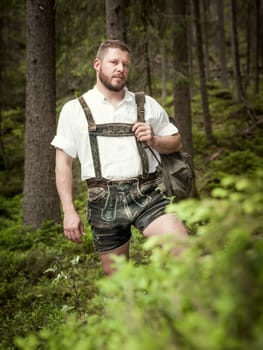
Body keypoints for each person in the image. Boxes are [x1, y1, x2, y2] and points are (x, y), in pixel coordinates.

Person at [51, 39, 188, 275]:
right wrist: (69, 211)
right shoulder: (74, 109)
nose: (120, 68)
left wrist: (154, 139)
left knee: (185, 253)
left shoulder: (146, 104)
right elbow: (63, 163)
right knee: (117, 284)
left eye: (125, 64)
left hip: (147, 194)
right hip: (103, 201)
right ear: (97, 64)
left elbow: (176, 142)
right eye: (114, 62)